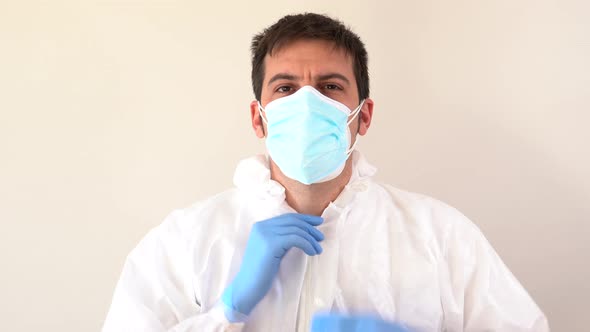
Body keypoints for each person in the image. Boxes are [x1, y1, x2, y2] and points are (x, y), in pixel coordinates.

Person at [102, 13, 549, 332]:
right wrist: (226, 312)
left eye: (330, 86)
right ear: (258, 118)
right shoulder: (186, 242)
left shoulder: (443, 238)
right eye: (286, 88)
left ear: (363, 115)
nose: (308, 102)